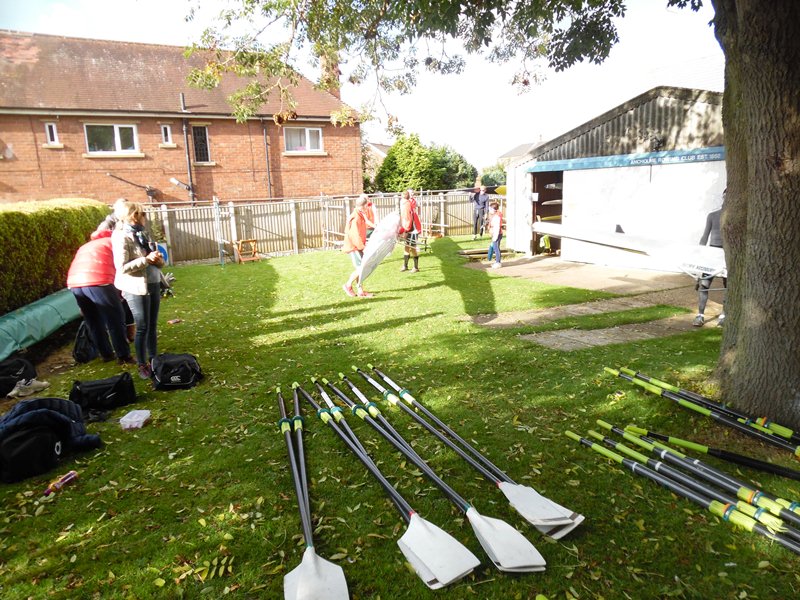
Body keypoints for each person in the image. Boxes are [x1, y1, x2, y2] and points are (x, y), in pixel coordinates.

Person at [67, 222, 135, 365]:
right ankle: (124, 356)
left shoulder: (86, 246)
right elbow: (120, 267)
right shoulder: (113, 243)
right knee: (115, 319)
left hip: (75, 283)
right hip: (99, 281)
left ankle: (106, 354)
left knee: (93, 321)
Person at [112, 200, 165, 379]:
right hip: (135, 287)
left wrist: (158, 260)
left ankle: (153, 360)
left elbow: (157, 262)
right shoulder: (121, 236)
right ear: (134, 216)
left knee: (152, 325)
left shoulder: (144, 234)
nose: (145, 217)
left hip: (153, 282)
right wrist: (146, 260)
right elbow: (121, 267)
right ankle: (142, 364)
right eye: (142, 214)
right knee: (142, 326)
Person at [693, 190, 727, 327]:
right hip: (712, 254)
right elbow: (704, 237)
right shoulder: (712, 216)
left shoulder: (737, 217)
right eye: (725, 197)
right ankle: (700, 315)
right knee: (704, 285)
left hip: (727, 255)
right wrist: (699, 257)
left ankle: (724, 315)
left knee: (728, 286)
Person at [342, 195, 373, 297]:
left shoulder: (359, 214)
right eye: (366, 205)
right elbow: (354, 235)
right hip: (354, 247)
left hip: (357, 245)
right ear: (363, 206)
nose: (367, 208)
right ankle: (348, 285)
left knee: (359, 269)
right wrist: (363, 248)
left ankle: (360, 291)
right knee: (361, 268)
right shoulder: (355, 217)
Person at [399, 189, 422, 273]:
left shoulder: (406, 205)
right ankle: (405, 266)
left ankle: (416, 267)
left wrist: (404, 231)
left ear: (403, 198)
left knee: (412, 248)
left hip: (412, 230)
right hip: (410, 228)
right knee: (407, 247)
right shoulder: (407, 204)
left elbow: (408, 220)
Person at [486, 201, 503, 269]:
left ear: (493, 209)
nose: (489, 210)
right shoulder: (495, 215)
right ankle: (497, 261)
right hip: (497, 234)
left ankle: (498, 262)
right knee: (496, 248)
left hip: (497, 234)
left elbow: (497, 227)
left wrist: (495, 237)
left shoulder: (496, 217)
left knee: (496, 249)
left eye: (490, 209)